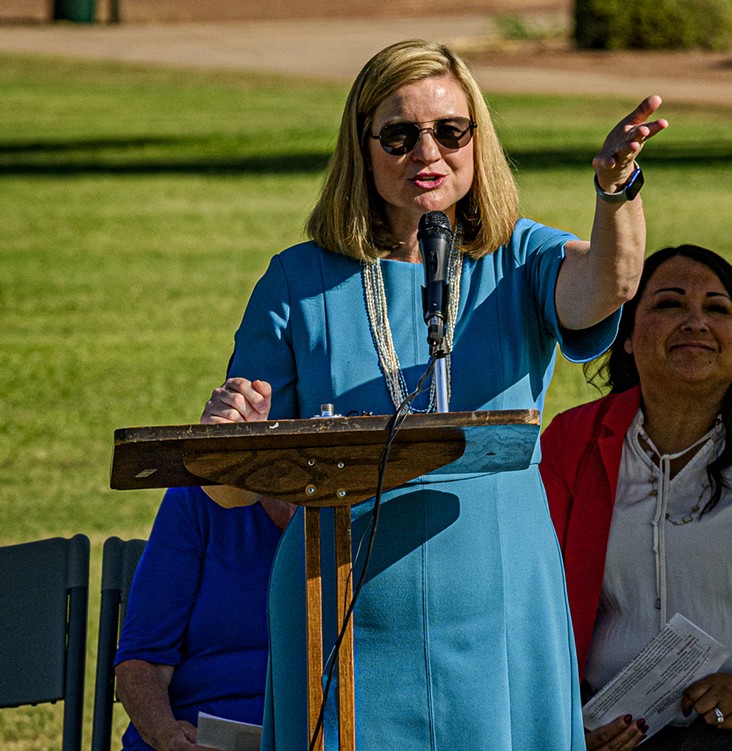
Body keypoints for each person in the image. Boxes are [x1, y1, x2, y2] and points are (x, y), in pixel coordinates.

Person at [200, 39, 667, 750]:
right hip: (344, 623)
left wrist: (617, 190)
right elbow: (234, 493)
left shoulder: (520, 256)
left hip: (498, 611)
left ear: (478, 142)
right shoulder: (296, 281)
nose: (428, 152)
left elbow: (610, 283)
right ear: (363, 148)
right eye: (400, 134)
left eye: (451, 131)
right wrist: (235, 433)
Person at [540, 244, 732, 751]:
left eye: (717, 308)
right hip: (616, 732)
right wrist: (571, 725)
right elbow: (528, 602)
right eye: (669, 304)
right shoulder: (571, 443)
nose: (696, 322)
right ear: (626, 337)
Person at [114, 486, 295, 751]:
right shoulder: (198, 496)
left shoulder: (368, 516)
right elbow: (142, 659)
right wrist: (166, 734)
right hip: (195, 740)